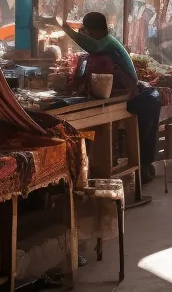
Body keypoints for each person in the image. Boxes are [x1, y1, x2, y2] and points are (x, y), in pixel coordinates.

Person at [62, 11, 161, 184]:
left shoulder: (106, 44)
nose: (86, 35)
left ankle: (107, 170)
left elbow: (92, 47)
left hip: (130, 95)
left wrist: (66, 29)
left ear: (94, 31)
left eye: (87, 31)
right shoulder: (103, 46)